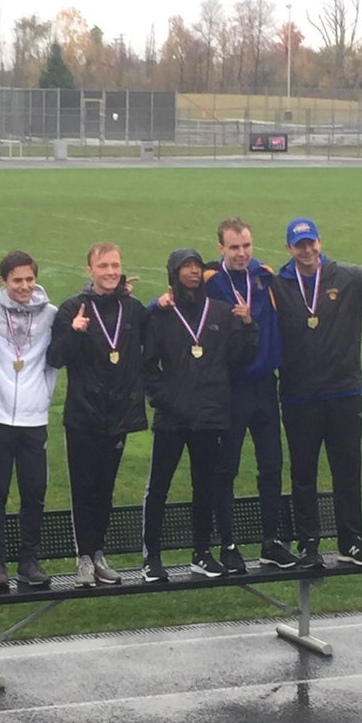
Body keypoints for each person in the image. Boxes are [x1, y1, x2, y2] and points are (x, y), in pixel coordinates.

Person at [274, 218, 362, 567]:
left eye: (310, 243)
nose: (306, 250)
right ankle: (308, 543)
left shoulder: (347, 277)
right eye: (298, 245)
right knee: (303, 473)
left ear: (320, 241)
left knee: (347, 469)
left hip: (344, 391)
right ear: (288, 248)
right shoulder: (277, 284)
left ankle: (351, 541)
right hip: (298, 395)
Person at [142, 249, 257, 582]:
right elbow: (148, 368)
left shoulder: (220, 312)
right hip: (172, 417)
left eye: (196, 267)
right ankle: (151, 557)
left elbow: (240, 357)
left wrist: (249, 325)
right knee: (158, 487)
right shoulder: (162, 315)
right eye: (185, 268)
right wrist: (165, 400)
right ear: (173, 274)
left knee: (204, 486)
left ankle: (201, 553)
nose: (192, 273)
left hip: (210, 416)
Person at [202, 217, 303, 572]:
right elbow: (179, 299)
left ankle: (270, 541)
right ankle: (228, 544)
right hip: (231, 388)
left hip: (265, 385)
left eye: (246, 245)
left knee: (271, 465)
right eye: (234, 247)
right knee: (226, 467)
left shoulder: (264, 277)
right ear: (221, 249)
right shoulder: (212, 284)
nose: (242, 253)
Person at [47, 242, 147, 587]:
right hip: (83, 414)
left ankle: (99, 552)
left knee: (106, 489)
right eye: (103, 266)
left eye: (115, 265)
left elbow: (155, 336)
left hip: (118, 414)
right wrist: (74, 332)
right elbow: (54, 357)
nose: (110, 272)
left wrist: (164, 302)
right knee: (83, 487)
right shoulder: (73, 308)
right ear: (89, 270)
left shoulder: (132, 309)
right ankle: (83, 557)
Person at [0, 251, 58, 589]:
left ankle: (29, 559)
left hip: (34, 417)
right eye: (16, 280)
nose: (24, 286)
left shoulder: (52, 315)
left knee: (33, 491)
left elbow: (85, 307)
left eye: (29, 279)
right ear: (4, 282)